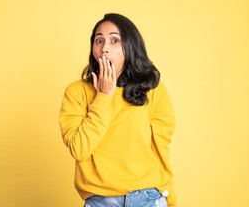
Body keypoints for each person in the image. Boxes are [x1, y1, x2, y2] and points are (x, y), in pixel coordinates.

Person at [58, 13, 176, 207]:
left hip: (149, 198)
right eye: (99, 40)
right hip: (100, 201)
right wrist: (103, 96)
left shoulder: (153, 90)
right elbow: (79, 149)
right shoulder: (76, 92)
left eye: (114, 40)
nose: (104, 48)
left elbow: (161, 149)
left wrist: (170, 199)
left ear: (130, 47)